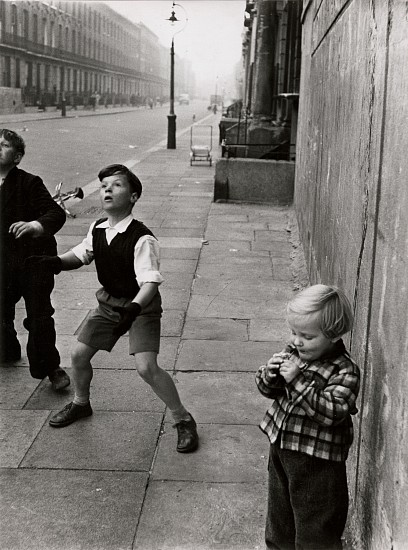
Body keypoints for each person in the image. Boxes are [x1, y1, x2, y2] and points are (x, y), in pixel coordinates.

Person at [27, 164, 199, 453]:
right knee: (78, 355)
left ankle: (183, 418)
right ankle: (81, 403)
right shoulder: (97, 228)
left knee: (146, 368)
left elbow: (149, 282)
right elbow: (80, 255)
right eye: (104, 185)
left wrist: (133, 309)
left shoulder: (142, 238)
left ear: (133, 197)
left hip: (140, 307)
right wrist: (54, 262)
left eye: (116, 185)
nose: (107, 189)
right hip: (109, 303)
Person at [255, 284, 360, 549]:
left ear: (334, 335)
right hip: (281, 449)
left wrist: (298, 381)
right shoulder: (294, 353)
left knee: (315, 526)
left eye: (307, 336)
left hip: (318, 462)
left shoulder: (344, 370)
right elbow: (269, 391)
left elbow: (333, 412)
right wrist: (270, 373)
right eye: (293, 332)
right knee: (279, 517)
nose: (296, 341)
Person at [0, 129, 70, 391]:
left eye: (4, 145)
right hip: (2, 264)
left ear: (17, 157)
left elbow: (56, 213)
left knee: (39, 315)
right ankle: (7, 347)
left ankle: (50, 367)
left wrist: (35, 225)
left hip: (32, 260)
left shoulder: (28, 182)